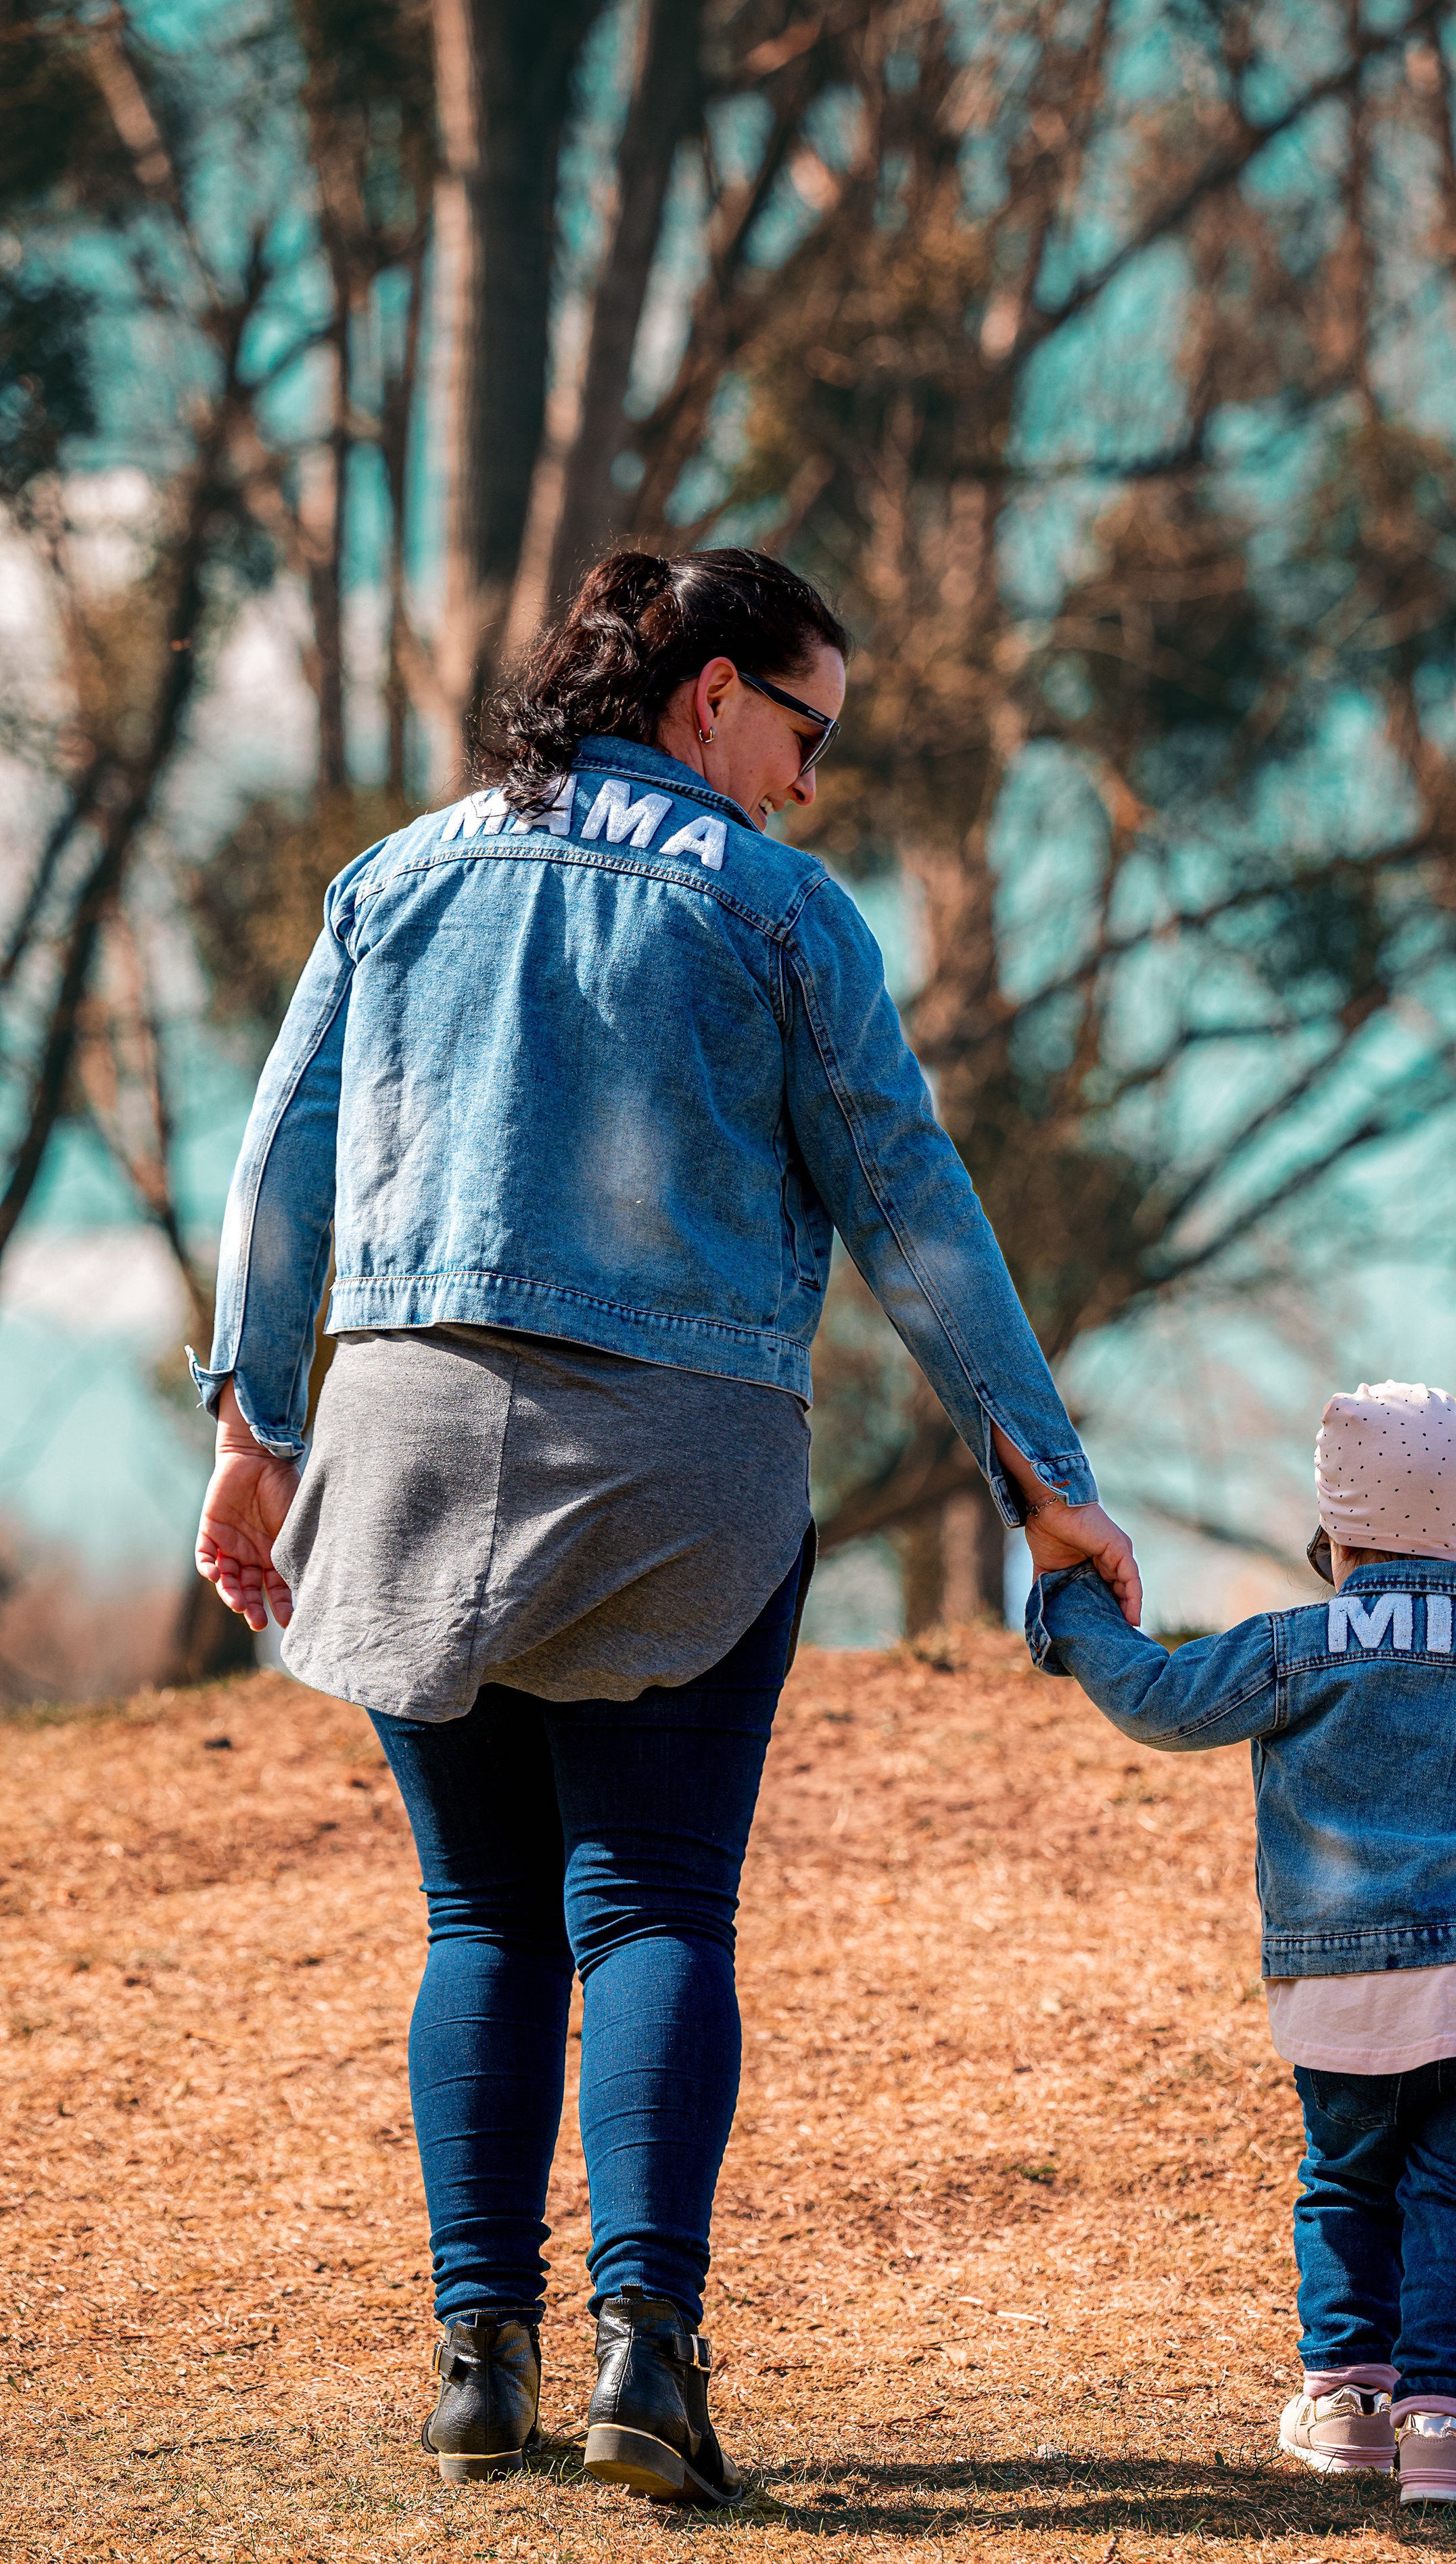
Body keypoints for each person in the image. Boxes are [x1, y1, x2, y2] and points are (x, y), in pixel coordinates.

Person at [189, 547, 1141, 2502]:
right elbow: (906, 1199)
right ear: (712, 693)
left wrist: (254, 1424)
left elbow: (281, 1161)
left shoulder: (394, 877)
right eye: (806, 731)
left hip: (409, 1434)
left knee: (480, 1915)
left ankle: (480, 2364)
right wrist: (1044, 1484)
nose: (808, 781)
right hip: (678, 1453)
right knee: (651, 1905)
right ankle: (649, 2356)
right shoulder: (775, 909)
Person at [1022, 1379, 1456, 2512]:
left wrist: (1074, 1605)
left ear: (1337, 1528)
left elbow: (1160, 1700)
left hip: (1340, 1989)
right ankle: (1447, 2431)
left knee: (1349, 2182)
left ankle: (1351, 2403)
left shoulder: (1299, 1647)